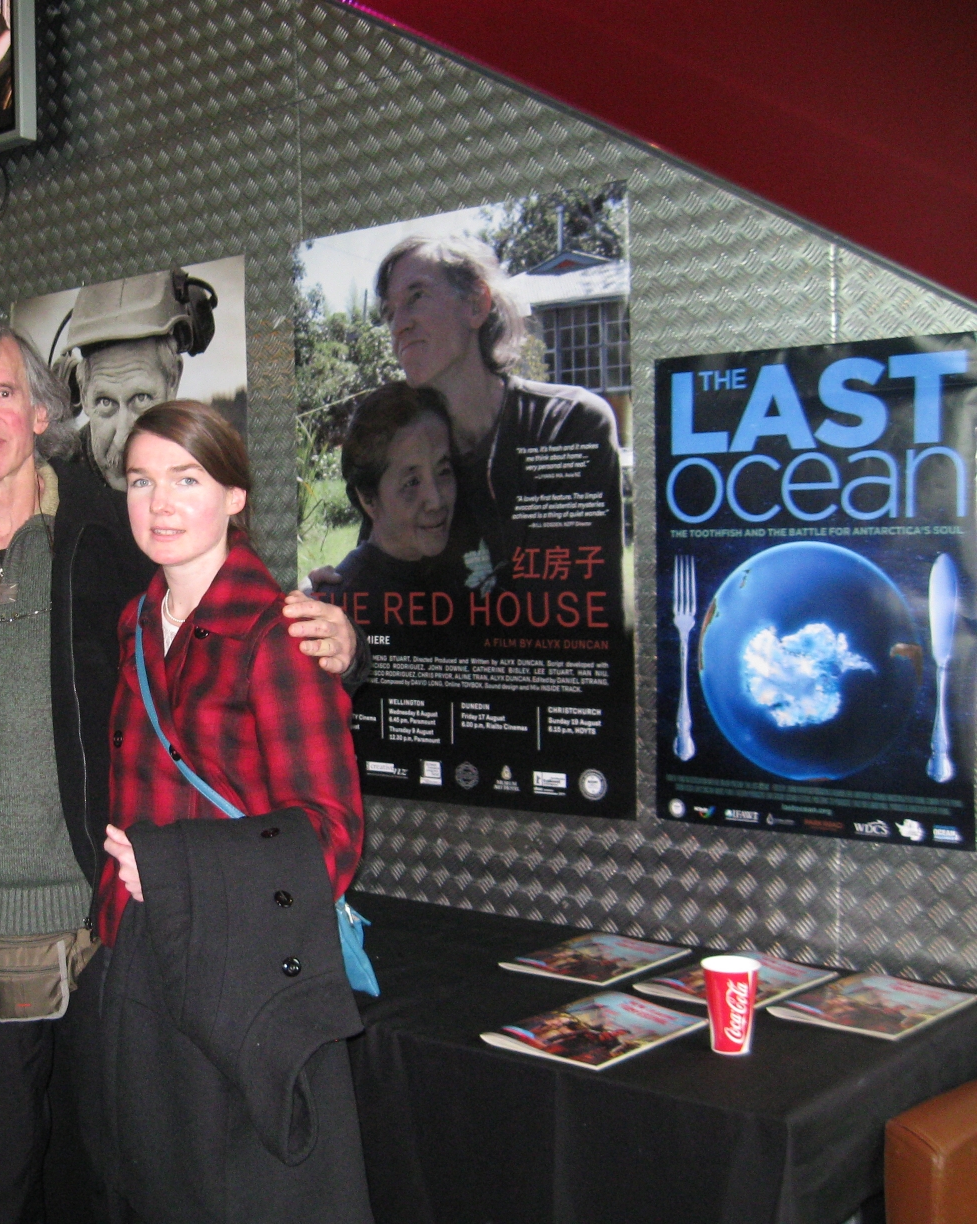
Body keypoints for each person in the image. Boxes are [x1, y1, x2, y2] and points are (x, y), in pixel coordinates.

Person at [0, 322, 361, 1224]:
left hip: (108, 925)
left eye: (4, 392)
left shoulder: (109, 537)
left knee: (108, 1175)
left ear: (41, 413)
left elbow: (231, 607)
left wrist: (338, 646)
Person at [97, 401, 373, 1223]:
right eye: (141, 482)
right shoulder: (136, 621)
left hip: (241, 971)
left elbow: (333, 837)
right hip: (139, 953)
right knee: (156, 1188)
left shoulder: (281, 632)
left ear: (235, 496)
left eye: (187, 479)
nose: (160, 503)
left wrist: (176, 867)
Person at [374, 235, 623, 595]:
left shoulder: (569, 424)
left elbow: (577, 606)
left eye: (416, 297)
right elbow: (378, 574)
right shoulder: (399, 444)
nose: (399, 326)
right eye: (389, 313)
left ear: (476, 305)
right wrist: (331, 590)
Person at [52, 268, 219, 489]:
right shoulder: (52, 486)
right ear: (83, 393)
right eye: (105, 402)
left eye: (141, 399)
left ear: (173, 381)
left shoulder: (210, 467)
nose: (122, 439)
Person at [319, 380, 466, 608]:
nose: (436, 501)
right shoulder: (342, 607)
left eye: (443, 471)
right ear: (368, 499)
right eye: (412, 482)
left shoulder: (462, 569)